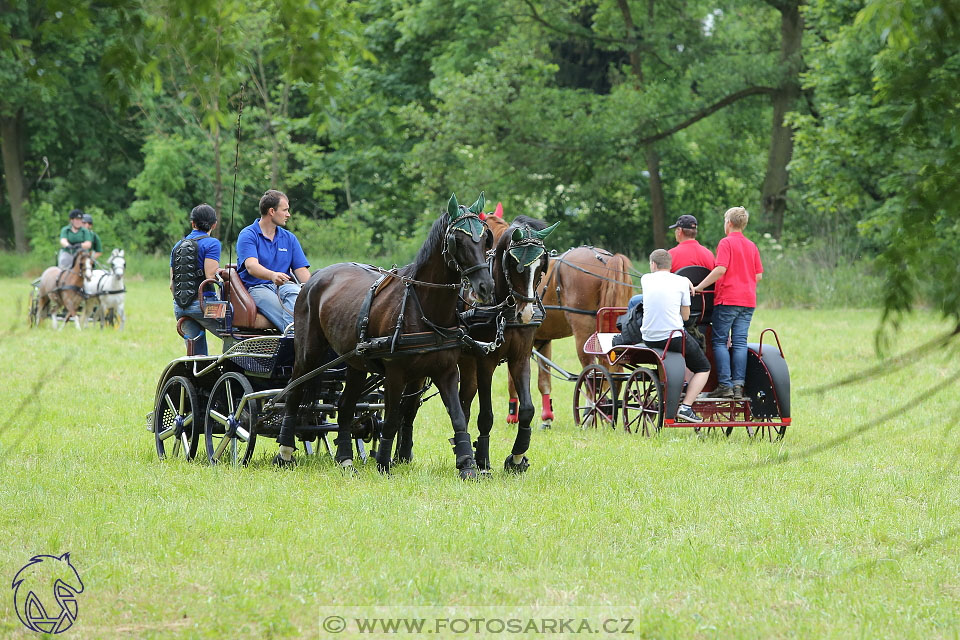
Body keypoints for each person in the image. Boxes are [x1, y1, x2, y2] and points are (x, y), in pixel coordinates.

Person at [615, 249, 711, 423]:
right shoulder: (681, 282)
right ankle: (686, 407)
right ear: (670, 265)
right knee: (704, 367)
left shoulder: (646, 279)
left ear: (652, 264)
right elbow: (686, 317)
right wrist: (687, 282)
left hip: (649, 337)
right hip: (673, 338)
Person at [694, 206, 763, 399]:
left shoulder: (726, 243)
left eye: (725, 221)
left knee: (719, 341)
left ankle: (725, 384)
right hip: (748, 301)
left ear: (729, 223)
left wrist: (700, 286)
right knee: (740, 342)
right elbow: (758, 275)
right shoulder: (752, 246)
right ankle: (738, 386)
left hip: (728, 299)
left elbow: (720, 269)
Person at [236, 189, 311, 332]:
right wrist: (272, 275)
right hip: (257, 288)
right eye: (285, 210)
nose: (288, 214)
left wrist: (315, 288)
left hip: (285, 286)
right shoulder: (248, 235)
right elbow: (251, 266)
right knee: (287, 314)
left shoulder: (289, 238)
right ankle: (294, 339)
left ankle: (295, 338)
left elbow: (301, 270)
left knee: (296, 293)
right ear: (272, 211)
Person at [170, 204, 222, 356]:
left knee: (196, 355)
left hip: (180, 306)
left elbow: (171, 285)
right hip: (205, 305)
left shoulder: (177, 247)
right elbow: (211, 277)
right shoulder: (213, 243)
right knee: (237, 334)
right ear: (214, 225)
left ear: (192, 223)